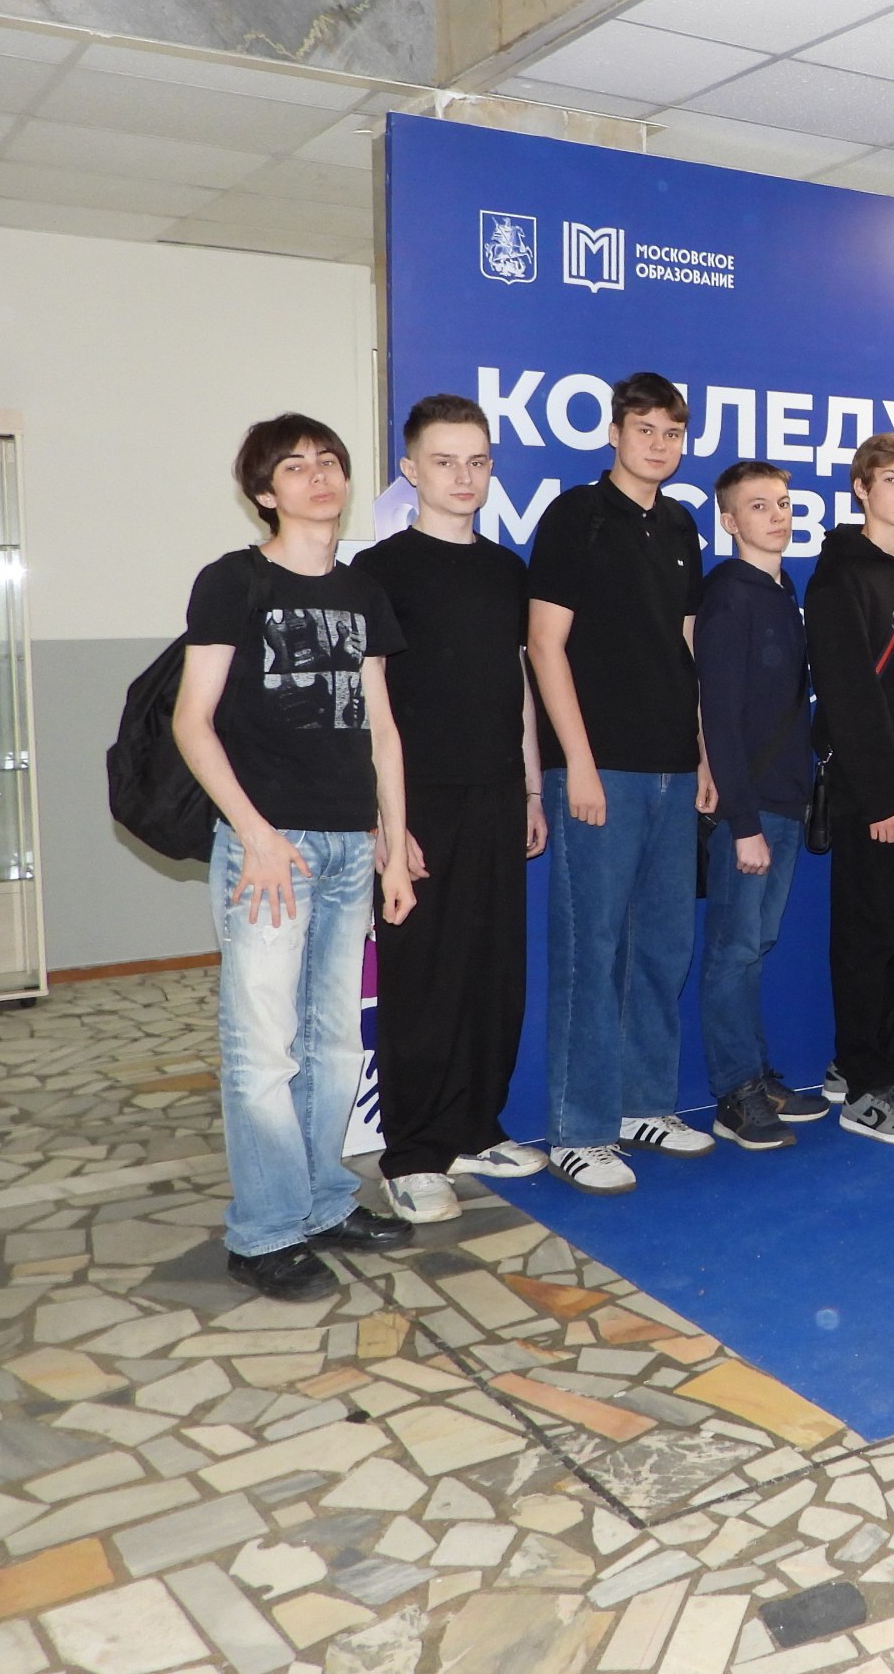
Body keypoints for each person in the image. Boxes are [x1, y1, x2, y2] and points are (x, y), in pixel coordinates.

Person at [173, 414, 416, 1300]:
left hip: (350, 844)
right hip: (267, 849)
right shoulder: (232, 581)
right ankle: (265, 1231)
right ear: (264, 492)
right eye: (295, 466)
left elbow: (382, 728)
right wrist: (256, 834)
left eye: (329, 461)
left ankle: (321, 1201)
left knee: (334, 1044)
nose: (318, 475)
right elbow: (192, 722)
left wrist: (394, 845)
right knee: (263, 1049)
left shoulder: (363, 592)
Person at [358, 394, 549, 1226]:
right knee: (424, 979)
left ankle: (475, 1129)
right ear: (411, 469)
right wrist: (385, 824)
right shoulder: (380, 572)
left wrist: (531, 787)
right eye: (444, 461)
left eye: (477, 461)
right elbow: (367, 710)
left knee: (493, 972)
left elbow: (518, 688)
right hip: (419, 803)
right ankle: (413, 1155)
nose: (463, 476)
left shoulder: (507, 571)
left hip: (499, 794)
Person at [527, 372, 715, 1195]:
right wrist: (576, 762)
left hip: (673, 766)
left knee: (663, 947)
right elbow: (544, 644)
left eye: (672, 432)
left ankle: (645, 1106)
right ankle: (579, 1130)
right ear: (614, 434)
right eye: (645, 429)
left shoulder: (680, 523)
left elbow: (688, 646)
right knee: (590, 950)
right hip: (598, 769)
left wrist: (704, 753)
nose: (660, 445)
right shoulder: (577, 516)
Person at [806, 433, 894, 1145]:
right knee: (864, 938)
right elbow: (850, 696)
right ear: (861, 489)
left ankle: (869, 1059)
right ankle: (864, 1088)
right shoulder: (837, 577)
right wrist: (882, 798)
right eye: (891, 479)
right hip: (870, 794)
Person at [692, 459, 823, 1152]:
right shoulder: (728, 596)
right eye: (759, 506)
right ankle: (734, 1092)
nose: (777, 516)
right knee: (734, 948)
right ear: (729, 520)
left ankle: (756, 1074)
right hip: (750, 810)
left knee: (756, 944)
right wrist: (741, 823)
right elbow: (720, 715)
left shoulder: (782, 588)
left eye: (783, 504)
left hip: (787, 802)